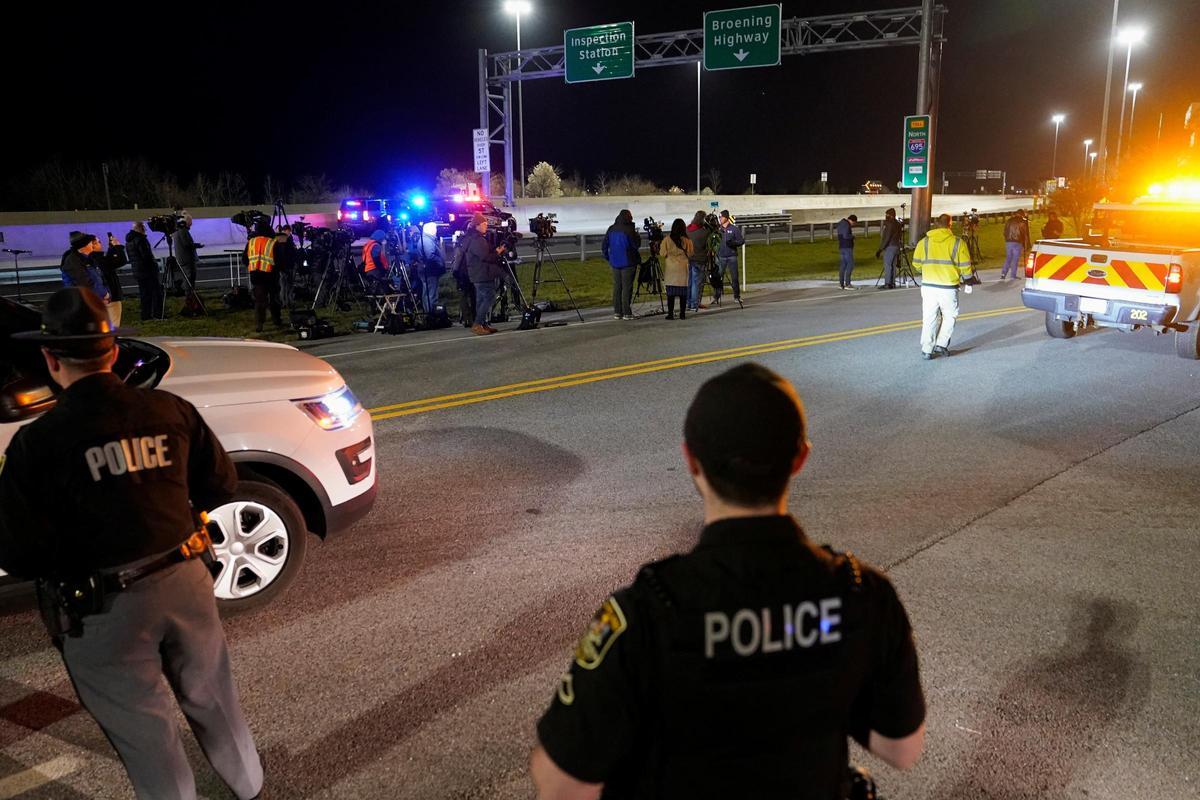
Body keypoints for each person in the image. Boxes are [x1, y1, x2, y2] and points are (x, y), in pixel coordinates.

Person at [531, 363, 926, 799]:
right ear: (800, 458)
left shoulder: (643, 615)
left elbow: (561, 786)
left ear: (690, 461)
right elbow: (902, 748)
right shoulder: (861, 594)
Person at [0, 288, 264, 800]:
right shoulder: (170, 409)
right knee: (214, 698)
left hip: (103, 608)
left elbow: (17, 552)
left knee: (146, 734)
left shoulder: (37, 442)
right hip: (186, 578)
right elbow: (221, 485)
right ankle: (251, 788)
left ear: (51, 360)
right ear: (114, 352)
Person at [912, 213, 975, 360]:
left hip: (928, 286)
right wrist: (968, 280)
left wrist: (926, 270)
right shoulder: (958, 243)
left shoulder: (924, 242)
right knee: (949, 316)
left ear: (936, 224)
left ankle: (927, 349)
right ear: (950, 224)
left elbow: (916, 264)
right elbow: (965, 266)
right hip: (948, 287)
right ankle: (941, 344)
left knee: (929, 318)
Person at [462, 212, 508, 335]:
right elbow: (485, 256)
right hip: (481, 274)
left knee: (481, 300)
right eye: (484, 224)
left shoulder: (473, 238)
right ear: (477, 225)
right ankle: (477, 324)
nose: (486, 226)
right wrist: (498, 252)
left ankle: (482, 324)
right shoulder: (477, 240)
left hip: (479, 273)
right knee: (489, 298)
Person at [602, 209, 642, 320]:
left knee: (617, 287)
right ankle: (627, 313)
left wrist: (609, 258)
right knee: (627, 288)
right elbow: (635, 245)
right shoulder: (629, 230)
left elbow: (604, 246)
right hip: (628, 263)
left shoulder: (611, 229)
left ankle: (617, 312)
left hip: (615, 263)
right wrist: (637, 236)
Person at [246, 221, 283, 332]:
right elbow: (279, 260)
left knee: (260, 301)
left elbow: (244, 259)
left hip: (256, 276)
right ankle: (276, 320)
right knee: (274, 299)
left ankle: (259, 324)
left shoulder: (251, 242)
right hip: (271, 276)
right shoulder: (272, 242)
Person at [126, 221, 162, 320]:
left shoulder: (129, 241)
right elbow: (146, 257)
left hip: (138, 271)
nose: (145, 230)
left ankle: (145, 315)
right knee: (156, 292)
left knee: (144, 294)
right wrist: (154, 266)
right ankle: (158, 314)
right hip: (147, 271)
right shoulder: (141, 240)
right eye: (144, 228)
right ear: (140, 228)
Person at [60, 231, 110, 302]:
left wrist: (106, 294)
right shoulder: (73, 261)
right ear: (85, 245)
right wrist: (104, 294)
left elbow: (99, 278)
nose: (92, 244)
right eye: (90, 242)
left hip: (94, 300)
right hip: (83, 303)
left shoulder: (87, 258)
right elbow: (84, 283)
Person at [660, 218, 692, 320]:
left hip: (671, 269)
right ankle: (682, 314)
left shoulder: (667, 240)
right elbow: (691, 254)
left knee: (671, 294)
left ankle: (671, 314)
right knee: (683, 293)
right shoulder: (687, 241)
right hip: (683, 268)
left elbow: (662, 253)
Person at [95, 233, 128, 326]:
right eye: (98, 242)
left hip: (99, 298)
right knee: (113, 326)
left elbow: (110, 262)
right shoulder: (98, 260)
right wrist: (117, 247)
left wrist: (112, 248)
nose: (100, 244)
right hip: (110, 297)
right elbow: (120, 261)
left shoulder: (91, 260)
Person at [416, 221, 446, 311]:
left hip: (427, 270)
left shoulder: (426, 239)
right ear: (430, 230)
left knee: (427, 292)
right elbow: (430, 255)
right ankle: (431, 313)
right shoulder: (427, 241)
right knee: (431, 293)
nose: (436, 230)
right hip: (430, 271)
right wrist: (440, 261)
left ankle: (428, 311)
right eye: (435, 229)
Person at [716, 210, 744, 304]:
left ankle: (737, 296)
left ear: (726, 218)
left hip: (732, 256)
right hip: (721, 256)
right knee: (719, 277)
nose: (720, 219)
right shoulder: (718, 229)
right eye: (719, 217)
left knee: (734, 277)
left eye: (721, 217)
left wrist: (734, 244)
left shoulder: (734, 229)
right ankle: (717, 297)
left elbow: (741, 241)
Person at [685, 211, 710, 312]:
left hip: (688, 258)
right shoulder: (704, 232)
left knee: (689, 282)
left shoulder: (687, 230)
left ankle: (688, 302)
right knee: (696, 283)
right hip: (699, 259)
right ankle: (694, 303)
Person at [875, 208, 904, 289]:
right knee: (893, 265)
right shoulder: (898, 224)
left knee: (888, 265)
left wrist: (880, 249)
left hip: (890, 247)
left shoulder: (889, 224)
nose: (886, 216)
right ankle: (892, 283)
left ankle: (887, 283)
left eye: (887, 214)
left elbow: (887, 237)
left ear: (891, 215)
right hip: (896, 246)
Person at [1000, 209, 1030, 280]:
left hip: (1008, 241)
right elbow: (1025, 234)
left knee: (1008, 258)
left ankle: (1003, 273)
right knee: (1015, 259)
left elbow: (1004, 232)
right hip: (1017, 242)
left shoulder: (1009, 221)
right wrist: (1026, 245)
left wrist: (1007, 239)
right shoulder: (1022, 222)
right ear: (1022, 214)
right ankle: (1013, 275)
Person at [171, 214, 200, 289]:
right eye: (190, 221)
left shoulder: (177, 230)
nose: (191, 223)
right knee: (189, 278)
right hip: (187, 259)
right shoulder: (182, 230)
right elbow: (187, 244)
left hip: (183, 258)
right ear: (186, 221)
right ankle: (189, 295)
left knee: (187, 278)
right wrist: (196, 245)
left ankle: (189, 295)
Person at [361, 229, 392, 294]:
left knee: (374, 289)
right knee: (381, 289)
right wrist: (382, 269)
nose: (384, 239)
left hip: (368, 269)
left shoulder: (368, 244)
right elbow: (376, 259)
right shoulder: (375, 246)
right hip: (375, 270)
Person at [274, 225, 297, 308]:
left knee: (283, 285)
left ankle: (284, 302)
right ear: (287, 230)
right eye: (289, 231)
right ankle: (286, 302)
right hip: (286, 266)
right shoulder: (285, 239)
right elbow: (286, 253)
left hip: (282, 266)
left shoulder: (278, 238)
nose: (290, 233)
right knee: (287, 285)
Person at [836, 214, 859, 289]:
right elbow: (846, 236)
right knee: (850, 264)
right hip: (847, 247)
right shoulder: (846, 225)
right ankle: (848, 284)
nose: (853, 225)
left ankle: (841, 283)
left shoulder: (840, 224)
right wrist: (852, 236)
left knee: (843, 265)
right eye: (854, 223)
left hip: (841, 247)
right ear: (852, 220)